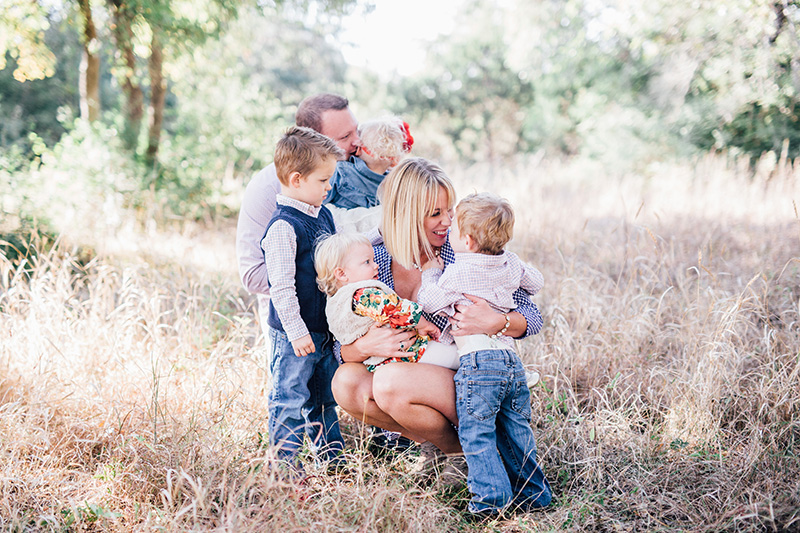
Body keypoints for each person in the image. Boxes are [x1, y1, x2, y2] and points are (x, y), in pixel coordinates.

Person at [330, 157, 547, 487]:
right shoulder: (368, 255)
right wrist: (363, 346)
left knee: (389, 382)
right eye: (435, 214)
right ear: (405, 214)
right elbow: (340, 335)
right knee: (347, 383)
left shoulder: (462, 248)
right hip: (410, 367)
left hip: (468, 372)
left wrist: (495, 321)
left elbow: (531, 317)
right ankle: (452, 449)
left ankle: (481, 449)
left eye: (449, 210)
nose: (448, 221)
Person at [416, 192, 552, 517]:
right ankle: (535, 495)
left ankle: (491, 503)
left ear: (467, 240)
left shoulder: (459, 270)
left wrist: (431, 273)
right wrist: (509, 262)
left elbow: (429, 299)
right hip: (511, 362)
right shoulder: (512, 262)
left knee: (477, 432)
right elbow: (536, 282)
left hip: (479, 363)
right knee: (517, 430)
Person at [236, 93, 360, 342]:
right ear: (312, 140)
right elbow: (252, 275)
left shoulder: (360, 167)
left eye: (356, 131)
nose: (357, 142)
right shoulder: (266, 189)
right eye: (345, 137)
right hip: (293, 323)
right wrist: (330, 277)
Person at [261, 126, 344, 468]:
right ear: (296, 180)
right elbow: (280, 285)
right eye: (323, 181)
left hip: (323, 329)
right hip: (295, 332)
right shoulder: (284, 227)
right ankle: (285, 469)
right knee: (290, 397)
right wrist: (295, 331)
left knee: (324, 398)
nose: (329, 187)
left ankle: (333, 461)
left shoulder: (323, 214)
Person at [314, 232, 459, 373]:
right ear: (342, 274)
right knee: (457, 356)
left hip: (377, 362)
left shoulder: (335, 303)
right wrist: (424, 324)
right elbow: (396, 310)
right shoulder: (362, 294)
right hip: (409, 352)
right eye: (367, 262)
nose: (375, 265)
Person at [325, 116, 413, 210]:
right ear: (394, 162)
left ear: (358, 149)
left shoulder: (341, 172)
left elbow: (319, 204)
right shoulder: (395, 186)